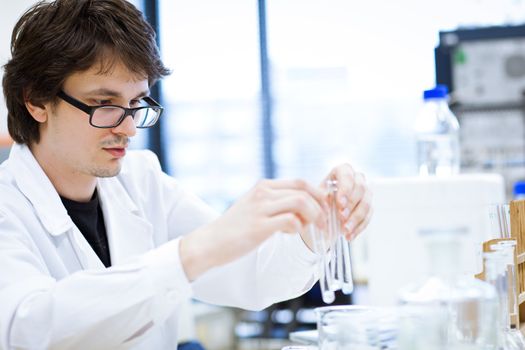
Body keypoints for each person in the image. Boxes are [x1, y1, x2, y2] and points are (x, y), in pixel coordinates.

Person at [0, 0, 372, 349]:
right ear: (36, 101)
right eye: (104, 104)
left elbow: (254, 278)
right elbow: (28, 327)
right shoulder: (7, 208)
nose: (129, 129)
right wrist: (194, 252)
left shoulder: (142, 181)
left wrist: (317, 221)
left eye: (135, 103)